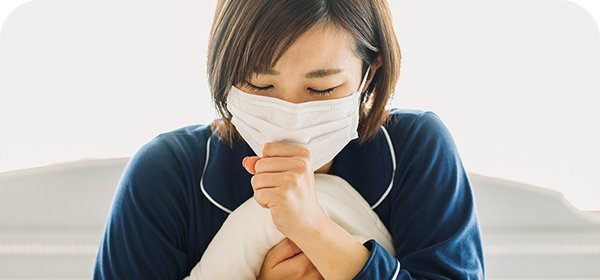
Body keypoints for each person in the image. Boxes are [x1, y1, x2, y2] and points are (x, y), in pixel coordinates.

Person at [94, 0, 485, 279]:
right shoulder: (167, 174)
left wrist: (315, 229)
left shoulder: (417, 150)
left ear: (370, 70)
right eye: (260, 85)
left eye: (321, 88)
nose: (290, 111)